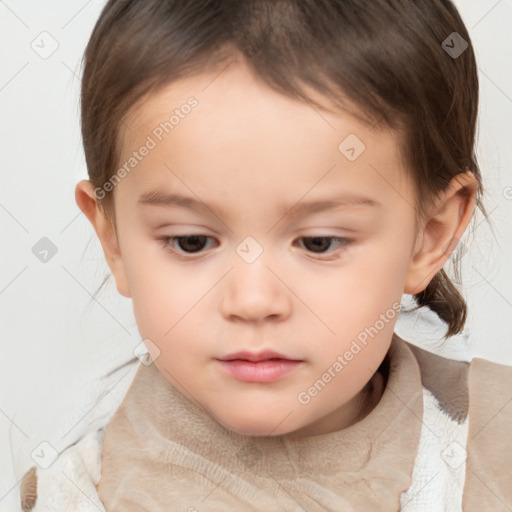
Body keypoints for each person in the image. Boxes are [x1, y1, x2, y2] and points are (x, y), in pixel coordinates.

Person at [19, 0, 512, 510]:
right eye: (191, 241)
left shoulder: (495, 449)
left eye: (319, 242)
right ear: (114, 239)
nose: (253, 301)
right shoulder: (77, 495)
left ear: (430, 235)